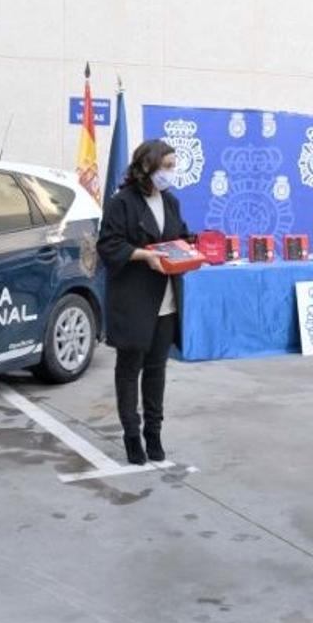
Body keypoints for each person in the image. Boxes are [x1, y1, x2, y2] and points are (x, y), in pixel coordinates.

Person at [97, 140, 190, 465]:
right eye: (166, 166)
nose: (171, 173)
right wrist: (144, 256)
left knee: (156, 370)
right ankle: (132, 435)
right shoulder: (122, 202)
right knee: (129, 370)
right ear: (147, 167)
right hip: (134, 299)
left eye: (173, 166)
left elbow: (181, 237)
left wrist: (194, 249)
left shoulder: (172, 202)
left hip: (166, 300)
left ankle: (154, 433)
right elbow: (108, 245)